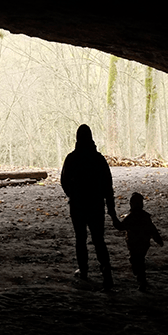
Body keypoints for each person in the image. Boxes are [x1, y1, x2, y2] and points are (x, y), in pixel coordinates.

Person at [60, 124, 117, 290]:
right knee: (99, 239)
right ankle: (106, 271)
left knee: (80, 239)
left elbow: (64, 181)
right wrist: (111, 210)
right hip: (96, 204)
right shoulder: (99, 159)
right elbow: (108, 185)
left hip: (78, 204)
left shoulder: (71, 158)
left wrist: (73, 195)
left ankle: (84, 271)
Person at [112, 192, 164, 291]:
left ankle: (141, 280)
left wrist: (114, 218)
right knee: (140, 260)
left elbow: (120, 227)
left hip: (134, 243)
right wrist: (158, 240)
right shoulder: (145, 217)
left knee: (136, 261)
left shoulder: (131, 218)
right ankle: (141, 280)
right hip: (144, 243)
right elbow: (153, 230)